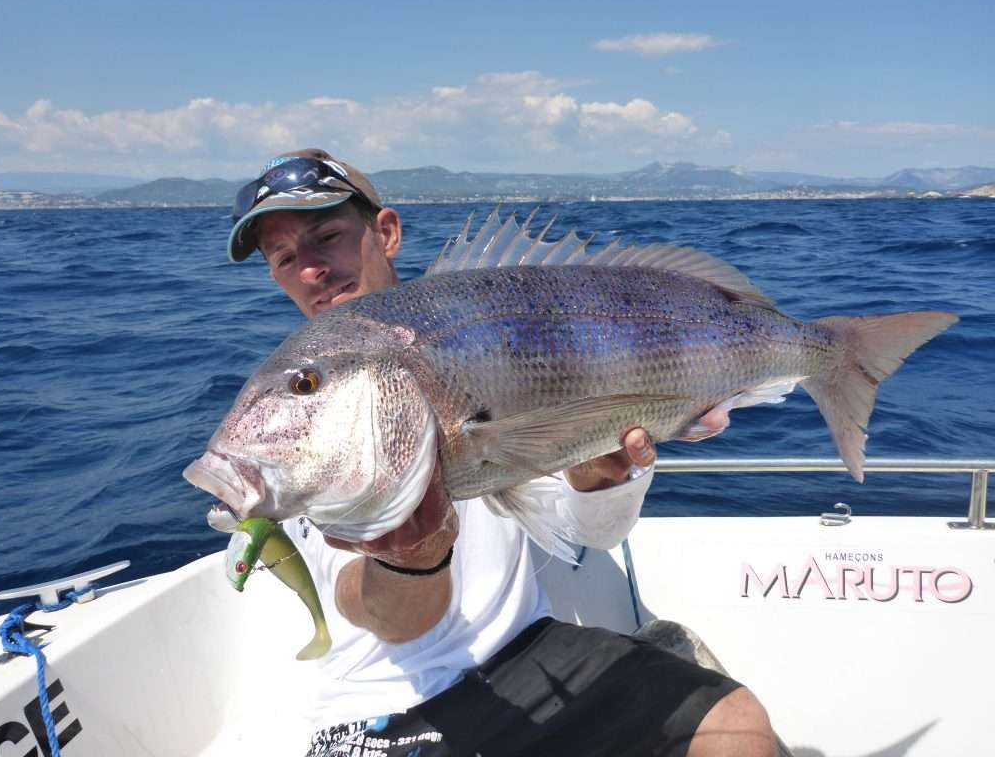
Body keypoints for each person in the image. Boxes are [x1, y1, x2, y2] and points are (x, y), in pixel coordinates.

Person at [226, 148, 774, 757]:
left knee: (737, 726)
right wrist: (412, 561)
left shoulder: (482, 326)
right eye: (284, 258)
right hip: (381, 705)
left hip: (534, 656)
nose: (311, 270)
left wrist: (600, 474)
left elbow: (587, 532)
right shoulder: (306, 412)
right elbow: (386, 616)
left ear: (385, 232)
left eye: (326, 236)